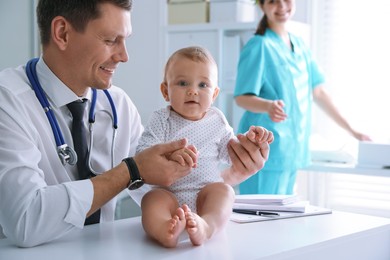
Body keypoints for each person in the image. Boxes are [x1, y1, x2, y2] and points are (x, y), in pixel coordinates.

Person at [0, 0, 271, 247]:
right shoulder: (8, 100)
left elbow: (161, 189)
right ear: (62, 33)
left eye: (125, 40)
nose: (124, 55)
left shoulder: (118, 105)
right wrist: (130, 170)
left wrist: (232, 173)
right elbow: (24, 222)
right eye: (110, 40)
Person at [137, 46, 274, 248]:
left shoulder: (217, 120)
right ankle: (165, 229)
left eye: (203, 85)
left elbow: (231, 153)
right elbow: (142, 154)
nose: (193, 90)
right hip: (168, 194)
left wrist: (251, 142)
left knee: (225, 192)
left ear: (214, 93)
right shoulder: (161, 119)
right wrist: (169, 156)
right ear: (166, 91)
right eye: (183, 83)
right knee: (151, 199)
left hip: (206, 193)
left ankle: (206, 226)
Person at [234, 0, 371, 195]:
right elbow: (242, 97)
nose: (281, 6)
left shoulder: (300, 46)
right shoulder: (259, 45)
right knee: (258, 217)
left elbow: (319, 93)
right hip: (262, 152)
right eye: (273, 1)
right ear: (262, 6)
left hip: (292, 151)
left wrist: (353, 131)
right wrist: (268, 106)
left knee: (283, 220)